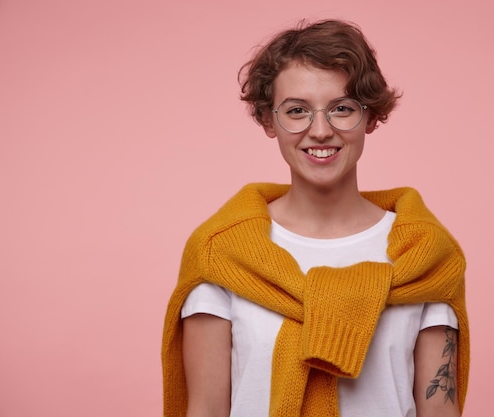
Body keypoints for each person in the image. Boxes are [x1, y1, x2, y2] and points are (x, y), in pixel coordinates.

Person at [162, 19, 469, 417]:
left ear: (371, 117)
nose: (320, 130)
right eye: (296, 110)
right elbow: (205, 410)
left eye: (341, 109)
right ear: (268, 121)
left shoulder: (425, 258)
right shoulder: (220, 254)